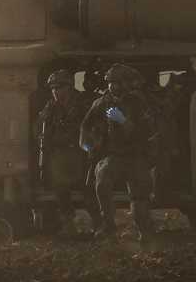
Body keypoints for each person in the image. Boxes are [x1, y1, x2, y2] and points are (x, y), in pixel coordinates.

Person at [82, 64, 160, 240]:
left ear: (126, 83)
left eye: (117, 83)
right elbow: (85, 128)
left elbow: (149, 131)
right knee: (102, 181)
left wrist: (124, 122)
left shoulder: (138, 102)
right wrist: (89, 148)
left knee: (139, 199)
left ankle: (144, 231)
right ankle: (108, 225)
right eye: (110, 83)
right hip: (114, 156)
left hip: (136, 156)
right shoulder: (101, 103)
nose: (113, 87)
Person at [37, 70, 98, 234]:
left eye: (59, 87)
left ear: (70, 87)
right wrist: (43, 131)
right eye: (53, 88)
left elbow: (94, 126)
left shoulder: (84, 103)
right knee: (60, 186)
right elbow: (40, 128)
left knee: (88, 189)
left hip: (82, 152)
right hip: (60, 153)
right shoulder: (51, 106)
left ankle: (101, 224)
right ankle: (68, 224)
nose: (56, 92)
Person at [151, 71, 196, 233]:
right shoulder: (156, 104)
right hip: (147, 153)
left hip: (158, 152)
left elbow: (166, 126)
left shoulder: (163, 105)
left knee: (158, 193)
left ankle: (191, 207)